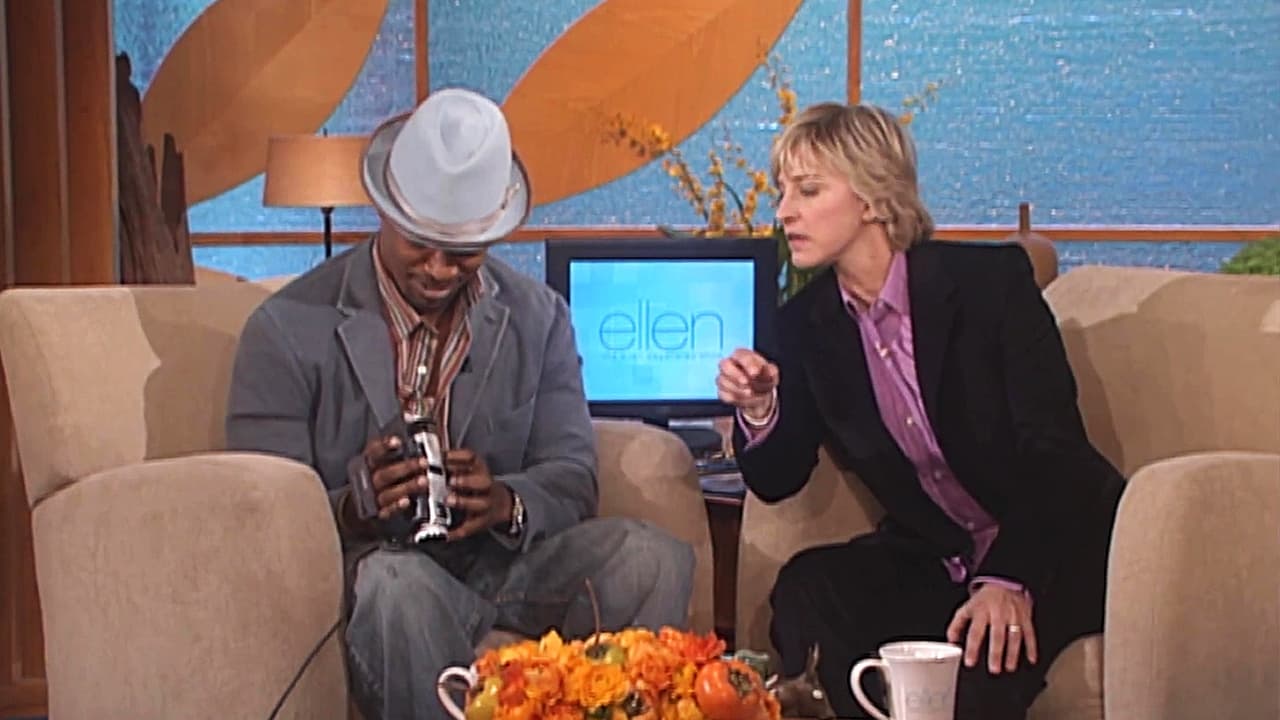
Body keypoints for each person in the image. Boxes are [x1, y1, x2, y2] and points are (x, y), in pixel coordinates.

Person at [226, 88, 695, 720]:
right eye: (420, 243)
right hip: (384, 572)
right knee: (396, 586)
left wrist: (506, 502)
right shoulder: (285, 328)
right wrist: (353, 509)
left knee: (652, 557)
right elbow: (260, 512)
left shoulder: (539, 318)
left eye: (465, 252)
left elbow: (573, 476)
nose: (441, 269)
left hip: (507, 567)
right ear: (386, 211)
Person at [716, 102, 1125, 719]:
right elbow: (778, 478)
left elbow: (1055, 452)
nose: (783, 212)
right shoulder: (806, 324)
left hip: (1052, 545)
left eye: (808, 190)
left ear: (872, 197)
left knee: (981, 668)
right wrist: (760, 407)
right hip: (941, 554)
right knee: (809, 588)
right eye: (782, 192)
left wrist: (1008, 579)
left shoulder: (990, 285)